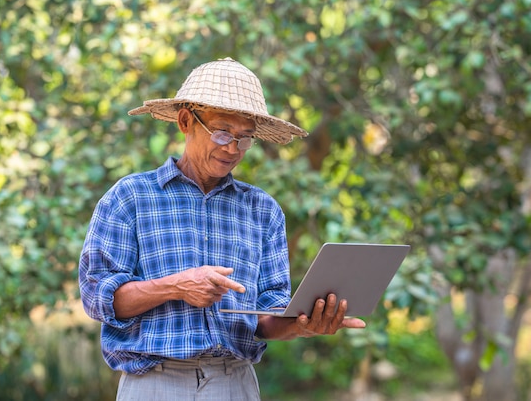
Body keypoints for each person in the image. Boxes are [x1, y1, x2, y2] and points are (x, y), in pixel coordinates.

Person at [79, 57, 366, 401]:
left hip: (235, 384)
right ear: (186, 121)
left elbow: (266, 316)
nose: (232, 148)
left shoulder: (262, 210)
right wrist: (176, 286)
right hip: (154, 384)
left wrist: (301, 324)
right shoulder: (131, 197)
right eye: (222, 132)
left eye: (245, 138)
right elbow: (98, 299)